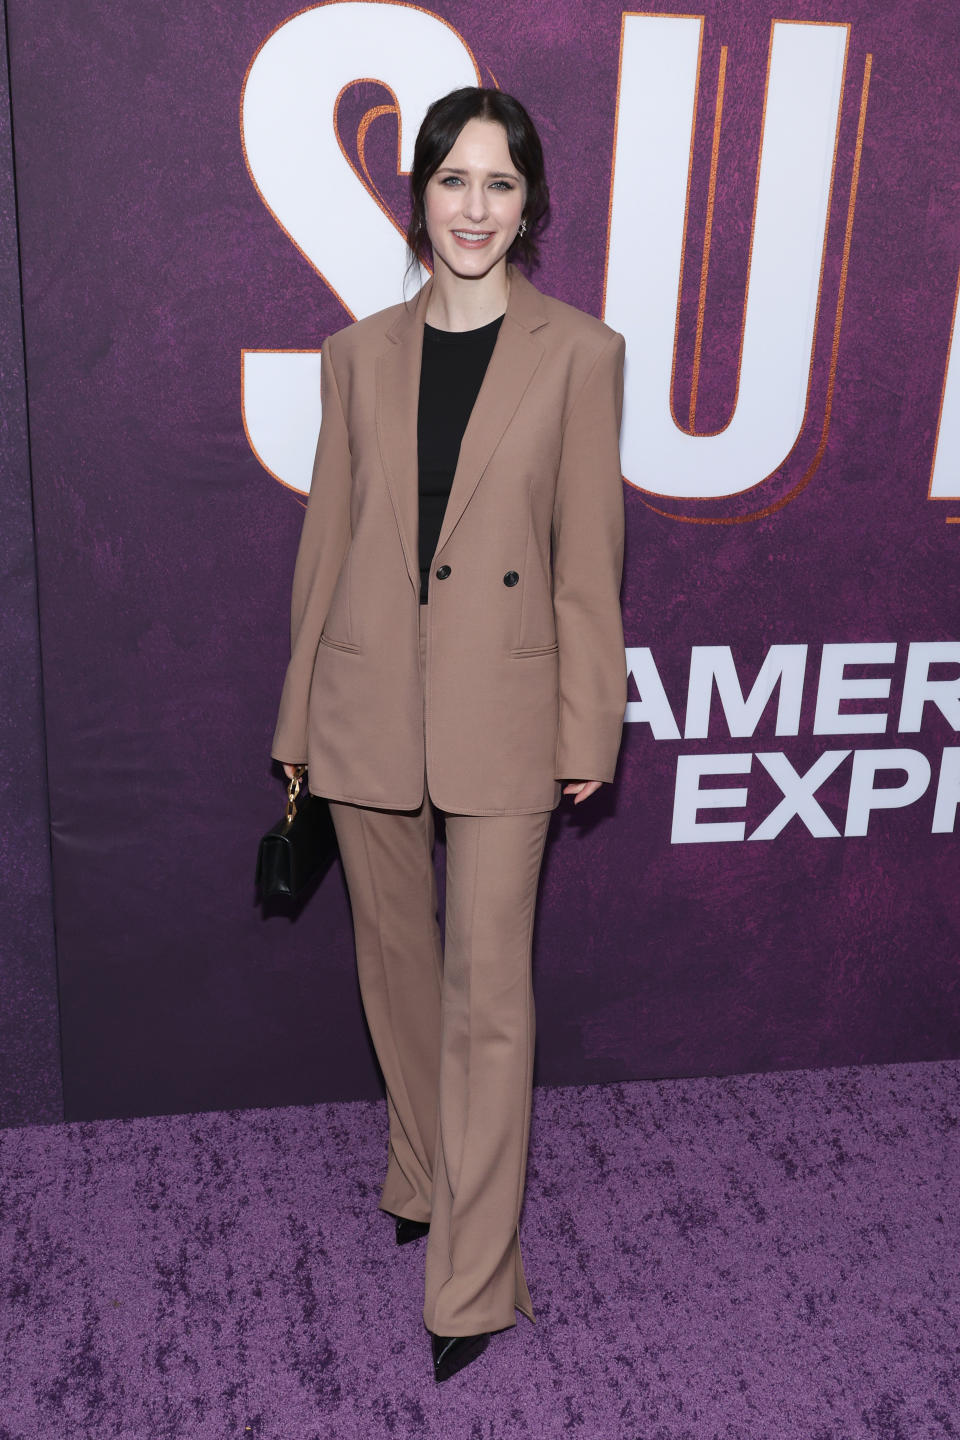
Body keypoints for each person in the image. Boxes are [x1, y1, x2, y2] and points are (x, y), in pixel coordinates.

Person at [271, 85, 627, 1382]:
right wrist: (297, 712)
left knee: (489, 997)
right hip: (366, 698)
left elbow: (589, 562)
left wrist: (590, 720)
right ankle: (420, 1169)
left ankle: (470, 1278)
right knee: (395, 967)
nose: (474, 207)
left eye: (500, 182)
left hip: (509, 707)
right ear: (417, 196)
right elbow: (327, 543)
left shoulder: (581, 355)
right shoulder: (355, 354)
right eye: (452, 180)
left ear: (529, 205)